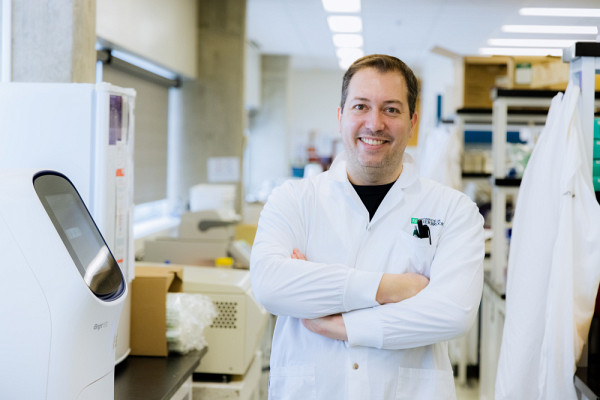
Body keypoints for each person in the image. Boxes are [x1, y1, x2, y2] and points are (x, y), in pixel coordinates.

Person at [250, 54, 484, 400]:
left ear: (412, 121)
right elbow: (270, 286)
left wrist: (341, 325)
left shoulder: (453, 210)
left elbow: (452, 314)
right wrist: (393, 288)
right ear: (341, 115)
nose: (374, 123)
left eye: (391, 109)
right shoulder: (294, 199)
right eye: (361, 106)